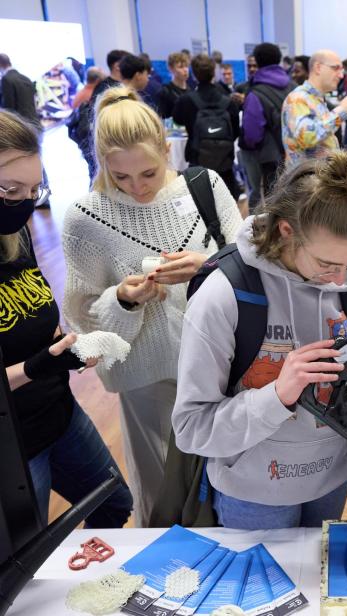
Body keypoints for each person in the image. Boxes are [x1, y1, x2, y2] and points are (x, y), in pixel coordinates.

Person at [172, 149, 347, 529]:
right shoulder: (224, 295)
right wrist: (278, 395)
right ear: (286, 231)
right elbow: (192, 428)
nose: (338, 277)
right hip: (252, 491)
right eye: (327, 264)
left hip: (333, 479)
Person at [62, 87, 243, 526]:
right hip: (145, 377)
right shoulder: (85, 218)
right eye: (121, 177)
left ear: (167, 149)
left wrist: (206, 265)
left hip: (222, 365)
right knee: (161, 492)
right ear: (101, 162)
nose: (138, 188)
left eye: (148, 171)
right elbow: (82, 317)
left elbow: (248, 266)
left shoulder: (206, 186)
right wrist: (123, 300)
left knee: (228, 482)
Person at [0, 109, 133, 527]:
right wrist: (36, 367)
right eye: (9, 189)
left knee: (112, 504)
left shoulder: (13, 233)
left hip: (59, 414)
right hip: (13, 442)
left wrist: (67, 345)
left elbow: (37, 314)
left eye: (33, 190)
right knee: (24, 552)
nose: (22, 203)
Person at [173, 54, 241, 199]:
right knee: (227, 203)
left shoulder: (186, 101)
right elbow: (235, 132)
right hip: (225, 162)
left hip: (198, 160)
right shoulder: (228, 102)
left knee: (201, 204)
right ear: (214, 73)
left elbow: (177, 120)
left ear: (194, 74)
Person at [282, 50, 347, 166]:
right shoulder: (298, 98)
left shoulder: (315, 99)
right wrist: (342, 110)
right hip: (305, 181)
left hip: (317, 179)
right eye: (335, 68)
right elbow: (307, 136)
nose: (341, 75)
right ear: (318, 68)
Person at [241, 43, 294, 199]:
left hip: (268, 155)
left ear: (257, 61)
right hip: (293, 152)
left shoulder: (255, 92)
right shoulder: (294, 86)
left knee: (266, 198)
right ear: (279, 59)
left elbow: (252, 133)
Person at [0, 54, 39, 126]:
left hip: (21, 127)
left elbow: (8, 108)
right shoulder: (25, 78)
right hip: (35, 123)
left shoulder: (6, 79)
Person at [158, 51, 190, 119]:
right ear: (171, 69)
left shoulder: (191, 90)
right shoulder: (165, 92)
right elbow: (163, 119)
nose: (185, 70)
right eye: (180, 67)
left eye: (186, 66)